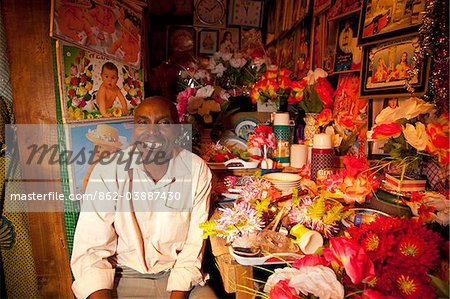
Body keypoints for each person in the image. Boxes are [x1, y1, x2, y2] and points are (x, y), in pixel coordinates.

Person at [71, 96, 217, 299]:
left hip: (177, 277)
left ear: (177, 130)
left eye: (164, 123)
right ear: (133, 128)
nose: (152, 132)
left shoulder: (195, 169)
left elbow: (193, 247)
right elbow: (91, 250)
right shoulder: (108, 170)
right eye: (142, 123)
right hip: (122, 277)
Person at [81, 124, 125, 193]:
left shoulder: (117, 165)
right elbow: (85, 186)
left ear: (113, 148)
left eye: (100, 147)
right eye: (95, 146)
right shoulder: (97, 161)